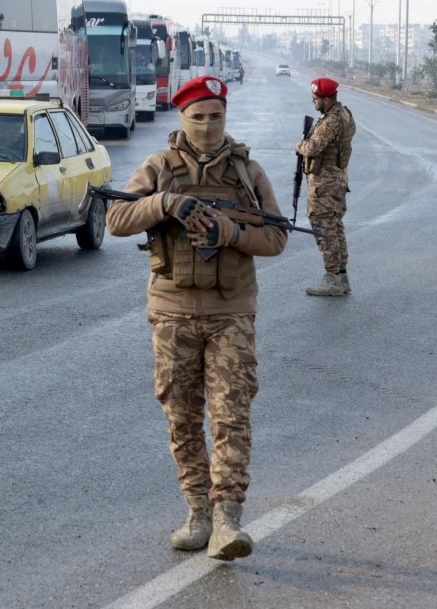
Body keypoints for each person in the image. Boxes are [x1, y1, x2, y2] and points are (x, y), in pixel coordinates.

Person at [105, 74, 289, 560]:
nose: (208, 125)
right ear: (182, 118)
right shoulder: (158, 167)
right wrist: (165, 203)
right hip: (173, 313)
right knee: (182, 416)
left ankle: (228, 520)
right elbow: (116, 220)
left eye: (216, 116)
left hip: (232, 312)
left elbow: (276, 238)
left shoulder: (248, 172)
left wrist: (230, 233)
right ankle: (198, 513)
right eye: (198, 117)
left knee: (231, 415)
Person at [297, 75, 355, 298]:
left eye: (316, 99)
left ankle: (332, 279)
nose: (314, 102)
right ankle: (341, 276)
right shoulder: (344, 113)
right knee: (335, 226)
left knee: (323, 226)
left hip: (325, 184)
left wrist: (300, 146)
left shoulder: (331, 120)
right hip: (337, 180)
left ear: (327, 99)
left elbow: (313, 148)